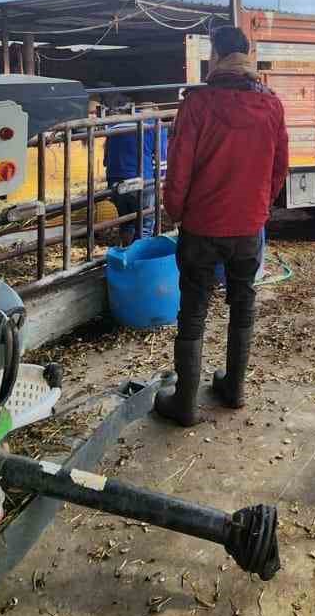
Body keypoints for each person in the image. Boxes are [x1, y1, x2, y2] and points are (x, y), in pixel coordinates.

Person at [155, 24, 289, 426]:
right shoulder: (271, 105)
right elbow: (279, 167)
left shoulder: (198, 104)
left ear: (215, 56)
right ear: (246, 56)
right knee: (243, 301)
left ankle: (184, 404)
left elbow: (179, 169)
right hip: (248, 228)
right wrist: (259, 207)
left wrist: (174, 211)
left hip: (202, 227)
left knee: (194, 309)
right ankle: (233, 389)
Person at [103, 100, 168, 243]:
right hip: (142, 180)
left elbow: (105, 159)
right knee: (145, 224)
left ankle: (127, 254)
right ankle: (138, 260)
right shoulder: (157, 123)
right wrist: (161, 184)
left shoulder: (116, 124)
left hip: (115, 180)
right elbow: (161, 159)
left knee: (126, 222)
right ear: (156, 111)